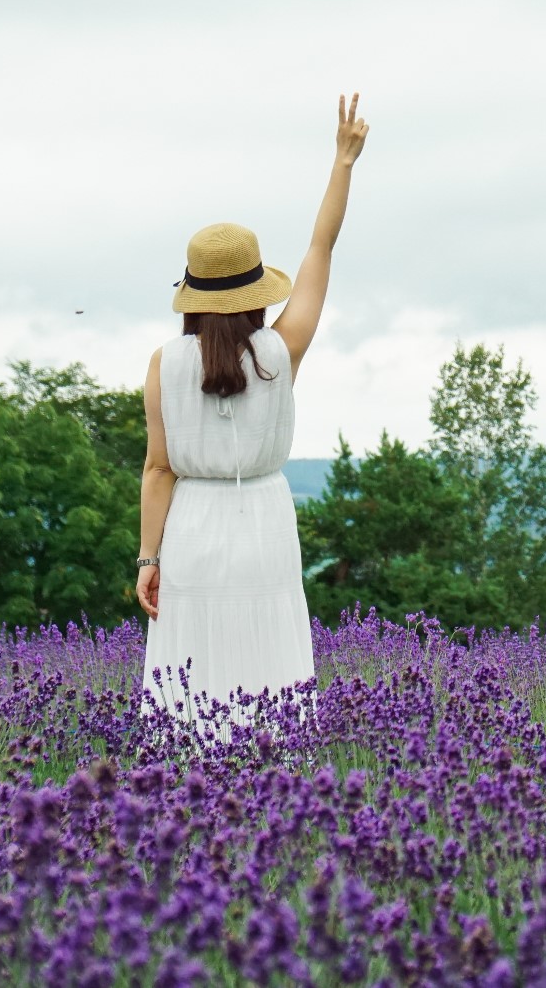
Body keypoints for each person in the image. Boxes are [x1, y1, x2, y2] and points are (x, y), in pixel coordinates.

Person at [135, 94, 370, 735]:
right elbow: (321, 248)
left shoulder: (163, 363)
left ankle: (186, 789)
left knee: (192, 668)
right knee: (268, 661)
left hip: (193, 527)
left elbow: (158, 471)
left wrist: (147, 561)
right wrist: (343, 162)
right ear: (256, 290)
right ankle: (276, 786)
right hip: (264, 518)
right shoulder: (280, 350)